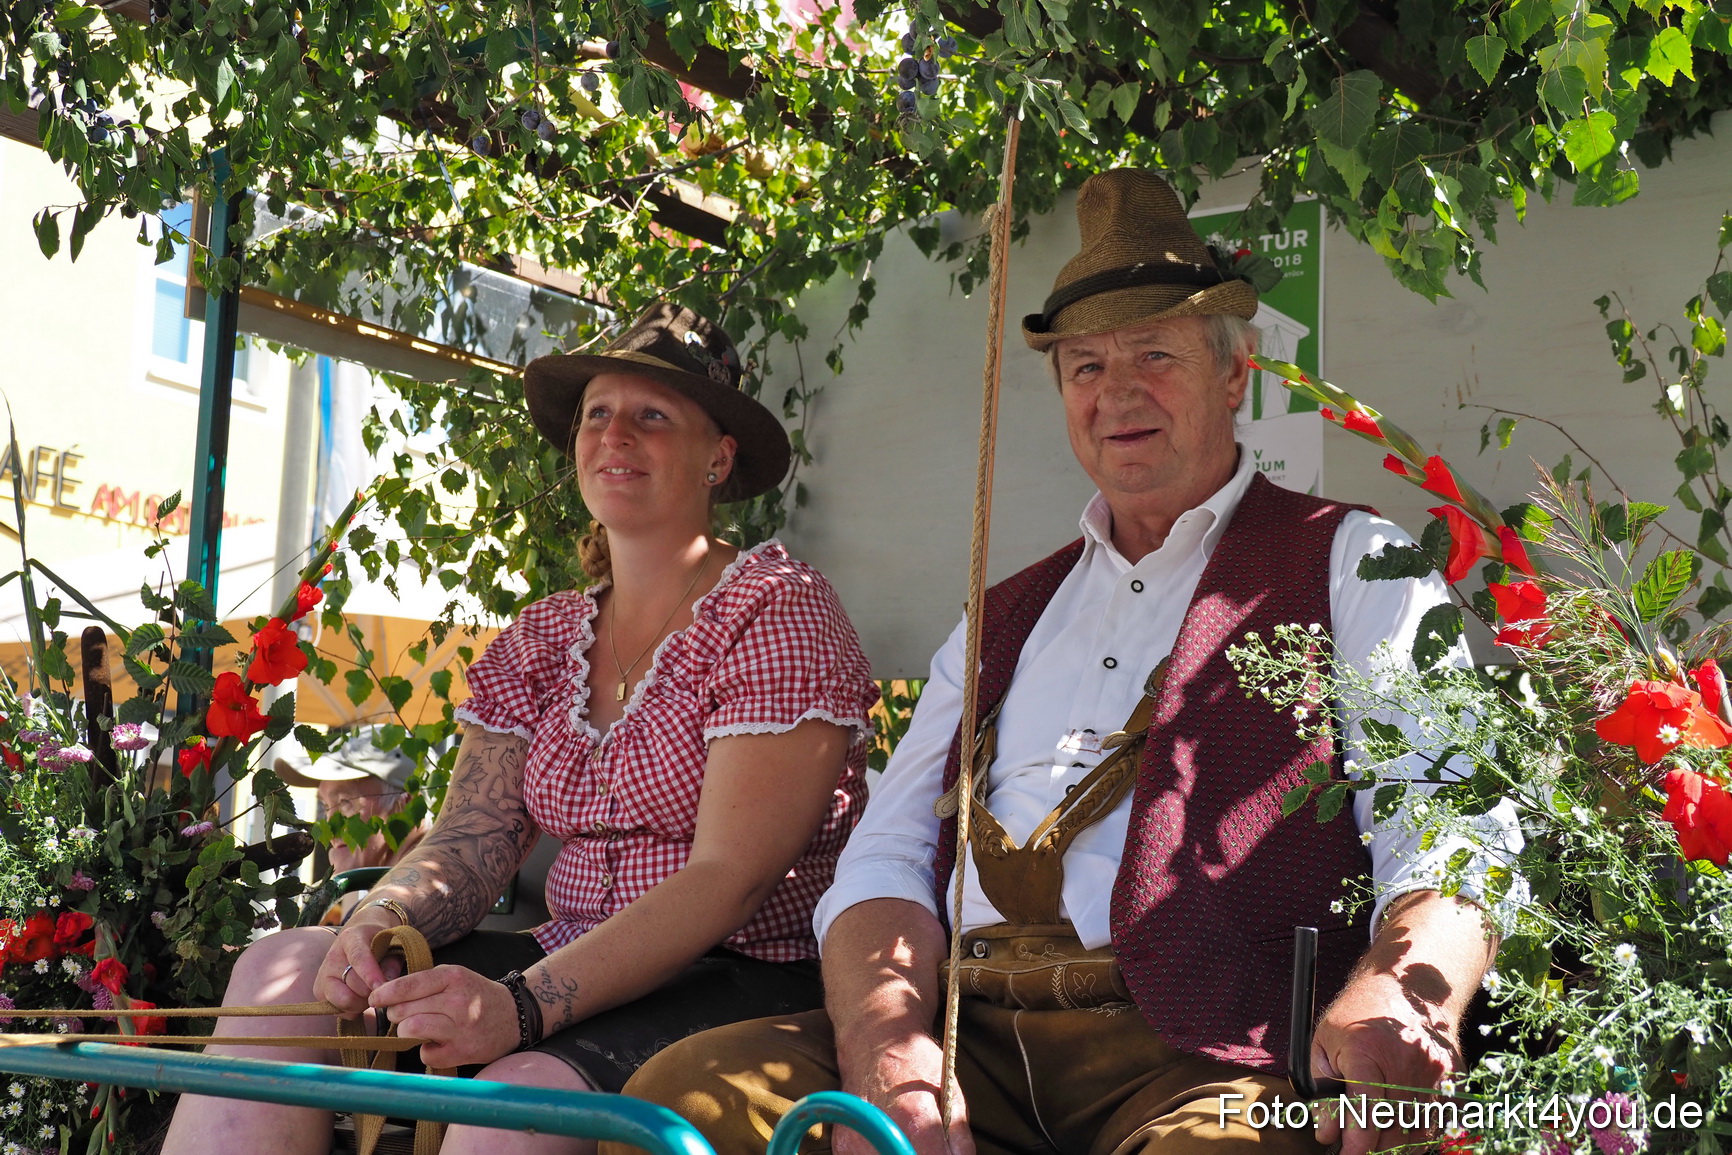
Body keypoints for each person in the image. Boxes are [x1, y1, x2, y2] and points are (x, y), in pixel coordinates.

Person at [617, 171, 1523, 1155]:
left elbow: (1445, 814)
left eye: (1153, 354)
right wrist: (887, 1046)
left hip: (1207, 1058)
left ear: (1236, 373)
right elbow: (883, 857)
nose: (1117, 392)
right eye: (1085, 366)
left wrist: (1401, 995)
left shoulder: (1351, 559)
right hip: (970, 1042)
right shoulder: (1002, 611)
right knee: (678, 1101)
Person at [163, 303, 881, 1155]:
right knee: (275, 976)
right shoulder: (544, 636)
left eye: (653, 415)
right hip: (561, 948)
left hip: (744, 971)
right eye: (598, 414)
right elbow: (471, 839)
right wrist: (382, 918)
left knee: (516, 1101)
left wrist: (522, 1004)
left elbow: (729, 879)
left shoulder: (776, 608)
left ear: (718, 457)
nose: (616, 434)